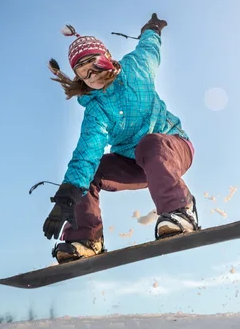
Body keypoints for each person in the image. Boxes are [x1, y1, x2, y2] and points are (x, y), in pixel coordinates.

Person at [43, 13, 199, 264]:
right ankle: (86, 238)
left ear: (106, 57)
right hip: (135, 165)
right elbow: (86, 154)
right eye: (84, 74)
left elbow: (149, 48)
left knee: (151, 144)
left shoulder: (136, 67)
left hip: (173, 147)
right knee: (90, 171)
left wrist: (152, 29)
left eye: (93, 65)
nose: (91, 75)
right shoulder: (96, 110)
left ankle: (180, 211)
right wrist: (67, 195)